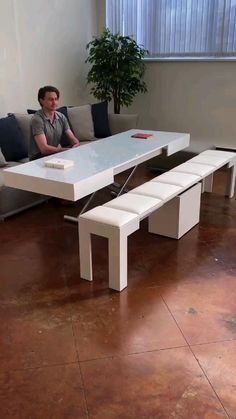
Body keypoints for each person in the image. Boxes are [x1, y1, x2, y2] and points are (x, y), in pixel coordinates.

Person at [29, 85, 80, 160]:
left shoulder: (61, 116)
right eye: (50, 99)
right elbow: (44, 149)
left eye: (56, 99)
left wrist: (76, 145)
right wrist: (65, 150)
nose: (54, 102)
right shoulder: (37, 119)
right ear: (41, 101)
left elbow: (72, 138)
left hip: (54, 155)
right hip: (38, 158)